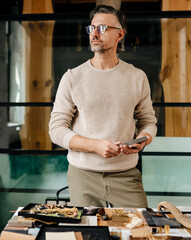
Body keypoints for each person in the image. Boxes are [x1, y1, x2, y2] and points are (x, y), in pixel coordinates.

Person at [48, 4, 157, 208]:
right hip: (83, 176)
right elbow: (56, 130)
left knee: (140, 231)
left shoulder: (137, 77)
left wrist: (145, 139)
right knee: (87, 235)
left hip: (126, 176)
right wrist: (95, 146)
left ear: (120, 35)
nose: (95, 33)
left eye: (103, 28)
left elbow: (148, 122)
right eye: (92, 28)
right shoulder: (72, 77)